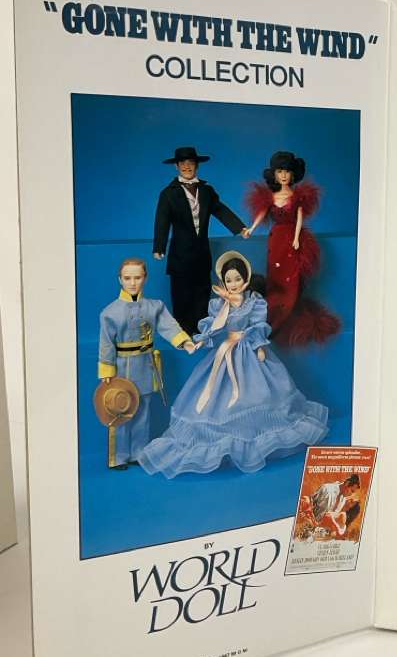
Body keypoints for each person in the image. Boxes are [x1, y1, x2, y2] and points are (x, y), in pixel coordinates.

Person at [139, 251, 328, 478]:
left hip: (248, 351)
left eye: (238, 279)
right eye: (229, 280)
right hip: (225, 352)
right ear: (223, 281)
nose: (234, 284)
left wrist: (259, 347)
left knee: (257, 394)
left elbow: (257, 325)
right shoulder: (218, 304)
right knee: (215, 395)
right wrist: (201, 340)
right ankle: (222, 440)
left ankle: (255, 437)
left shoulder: (254, 301)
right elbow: (213, 326)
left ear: (245, 278)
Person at [98, 258, 196, 469]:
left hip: (146, 365)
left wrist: (184, 341)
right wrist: (107, 370)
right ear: (120, 279)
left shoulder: (155, 307)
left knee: (143, 410)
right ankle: (119, 456)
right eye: (127, 278)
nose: (132, 283)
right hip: (122, 368)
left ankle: (138, 452)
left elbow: (169, 326)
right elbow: (106, 344)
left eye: (137, 277)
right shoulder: (110, 313)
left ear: (145, 278)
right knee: (120, 410)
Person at [246, 151, 340, 346]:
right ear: (274, 174)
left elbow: (299, 219)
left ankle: (284, 315)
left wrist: (297, 238)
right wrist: (251, 229)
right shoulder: (271, 197)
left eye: (287, 172)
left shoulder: (296, 197)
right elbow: (262, 213)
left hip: (290, 240)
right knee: (275, 279)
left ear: (293, 174)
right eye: (280, 171)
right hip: (276, 240)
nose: (283, 175)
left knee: (291, 280)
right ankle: (272, 318)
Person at [153, 146, 250, 336]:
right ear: (176, 166)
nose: (187, 167)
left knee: (202, 292)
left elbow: (221, 210)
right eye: (182, 163)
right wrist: (159, 247)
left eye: (191, 163)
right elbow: (162, 220)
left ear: (197, 166)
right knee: (181, 295)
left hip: (202, 254)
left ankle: (202, 331)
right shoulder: (168, 194)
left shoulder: (206, 191)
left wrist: (240, 228)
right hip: (180, 255)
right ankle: (183, 334)